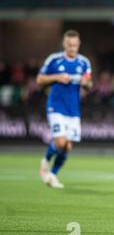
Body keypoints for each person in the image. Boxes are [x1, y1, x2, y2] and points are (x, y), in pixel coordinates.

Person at [37, 30, 93, 189]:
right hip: (56, 106)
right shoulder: (54, 60)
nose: (72, 48)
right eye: (69, 45)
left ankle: (52, 175)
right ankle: (46, 162)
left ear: (79, 44)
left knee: (67, 146)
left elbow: (89, 85)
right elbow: (39, 80)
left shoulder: (84, 63)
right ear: (64, 44)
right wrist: (56, 77)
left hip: (73, 109)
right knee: (60, 142)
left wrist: (85, 83)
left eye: (74, 45)